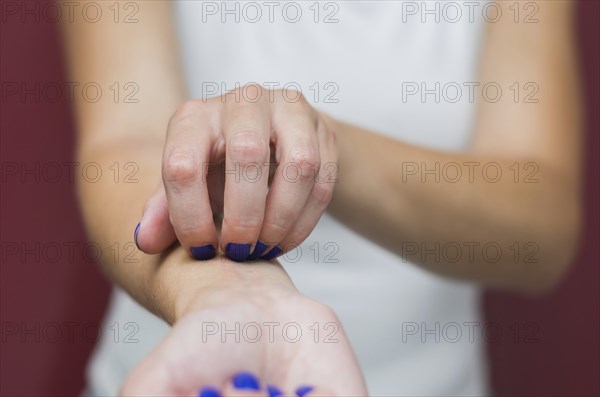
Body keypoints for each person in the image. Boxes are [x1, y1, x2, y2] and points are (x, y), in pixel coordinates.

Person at [60, 1, 582, 396]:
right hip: (193, 373)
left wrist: (323, 150)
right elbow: (125, 144)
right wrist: (226, 297)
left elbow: (541, 226)